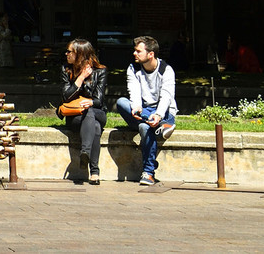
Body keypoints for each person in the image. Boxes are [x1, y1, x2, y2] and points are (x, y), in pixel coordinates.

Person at [117, 35, 177, 186]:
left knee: (144, 127)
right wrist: (136, 106)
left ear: (151, 54)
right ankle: (161, 126)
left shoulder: (166, 70)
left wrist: (157, 114)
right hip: (142, 109)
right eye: (135, 51)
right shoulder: (133, 68)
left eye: (138, 51)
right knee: (121, 102)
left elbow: (166, 97)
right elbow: (134, 91)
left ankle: (148, 173)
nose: (134, 54)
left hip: (162, 110)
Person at [59, 38, 108, 184]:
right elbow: (65, 97)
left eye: (69, 51)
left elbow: (99, 101)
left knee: (91, 112)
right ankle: (94, 172)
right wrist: (80, 78)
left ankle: (85, 151)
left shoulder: (100, 71)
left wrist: (90, 101)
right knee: (95, 127)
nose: (66, 54)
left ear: (80, 54)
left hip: (97, 113)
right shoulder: (66, 70)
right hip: (75, 115)